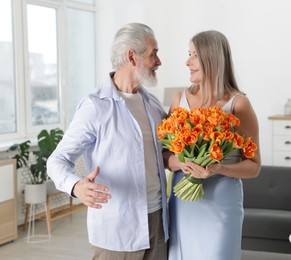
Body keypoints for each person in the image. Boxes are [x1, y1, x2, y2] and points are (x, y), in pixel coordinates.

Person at [47, 23, 169, 260]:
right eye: (153, 53)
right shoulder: (95, 106)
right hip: (116, 229)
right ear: (132, 56)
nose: (159, 61)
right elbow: (57, 160)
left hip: (157, 222)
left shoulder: (153, 105)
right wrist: (76, 186)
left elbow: (165, 153)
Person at [166, 30, 261, 260]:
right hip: (183, 200)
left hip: (222, 201)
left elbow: (254, 166)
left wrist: (217, 168)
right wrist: (179, 162)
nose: (187, 62)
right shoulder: (180, 100)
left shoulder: (239, 104)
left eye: (194, 55)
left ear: (212, 58)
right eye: (188, 54)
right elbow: (165, 155)